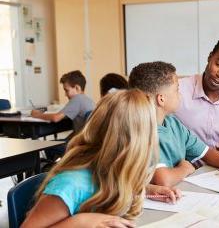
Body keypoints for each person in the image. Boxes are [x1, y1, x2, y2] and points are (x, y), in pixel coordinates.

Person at [22, 89, 181, 227]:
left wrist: (149, 190)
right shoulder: (71, 185)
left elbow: (111, 185)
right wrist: (83, 221)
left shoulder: (113, 167)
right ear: (138, 143)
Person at [128, 61, 219, 187]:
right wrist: (186, 168)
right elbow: (163, 180)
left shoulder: (172, 123)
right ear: (161, 99)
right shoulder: (142, 131)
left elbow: (206, 152)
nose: (180, 95)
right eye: (177, 90)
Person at [31, 70, 95, 135]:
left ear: (77, 88)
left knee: (52, 143)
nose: (65, 94)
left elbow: (56, 118)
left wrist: (37, 115)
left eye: (67, 90)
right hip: (88, 140)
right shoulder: (89, 100)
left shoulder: (77, 99)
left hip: (80, 142)